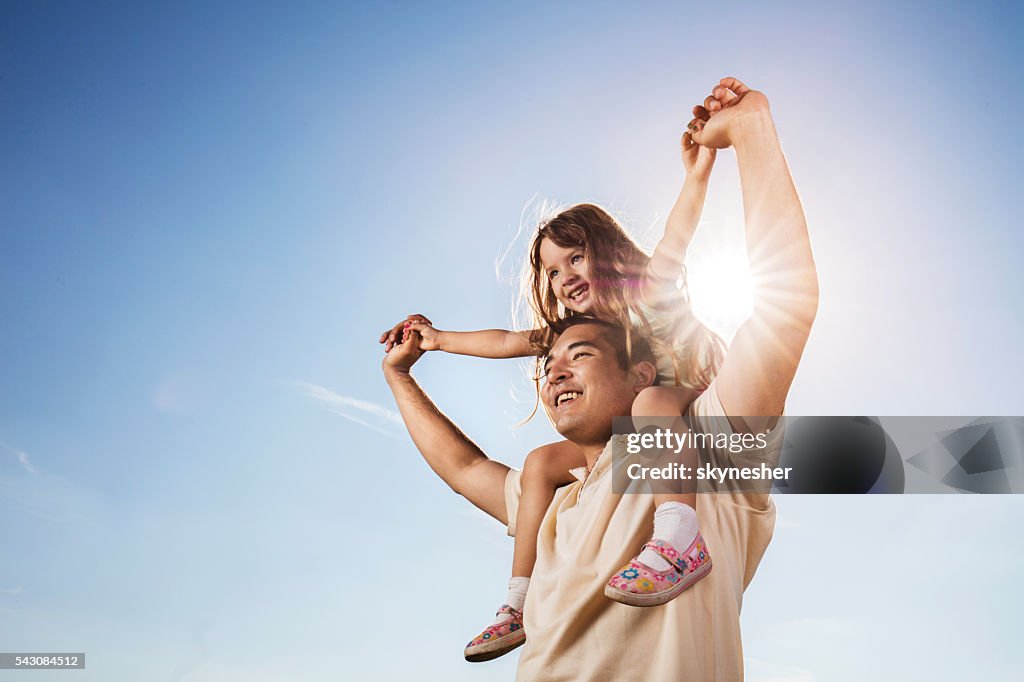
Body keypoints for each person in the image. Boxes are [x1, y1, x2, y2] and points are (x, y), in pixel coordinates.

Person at [383, 77, 818, 680]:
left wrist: (706, 168)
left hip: (667, 415)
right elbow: (470, 450)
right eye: (552, 271)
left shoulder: (656, 315)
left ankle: (677, 532)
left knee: (654, 407)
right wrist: (430, 346)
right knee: (537, 462)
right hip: (628, 436)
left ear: (607, 252)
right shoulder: (563, 362)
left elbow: (734, 275)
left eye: (575, 257)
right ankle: (517, 598)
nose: (564, 278)